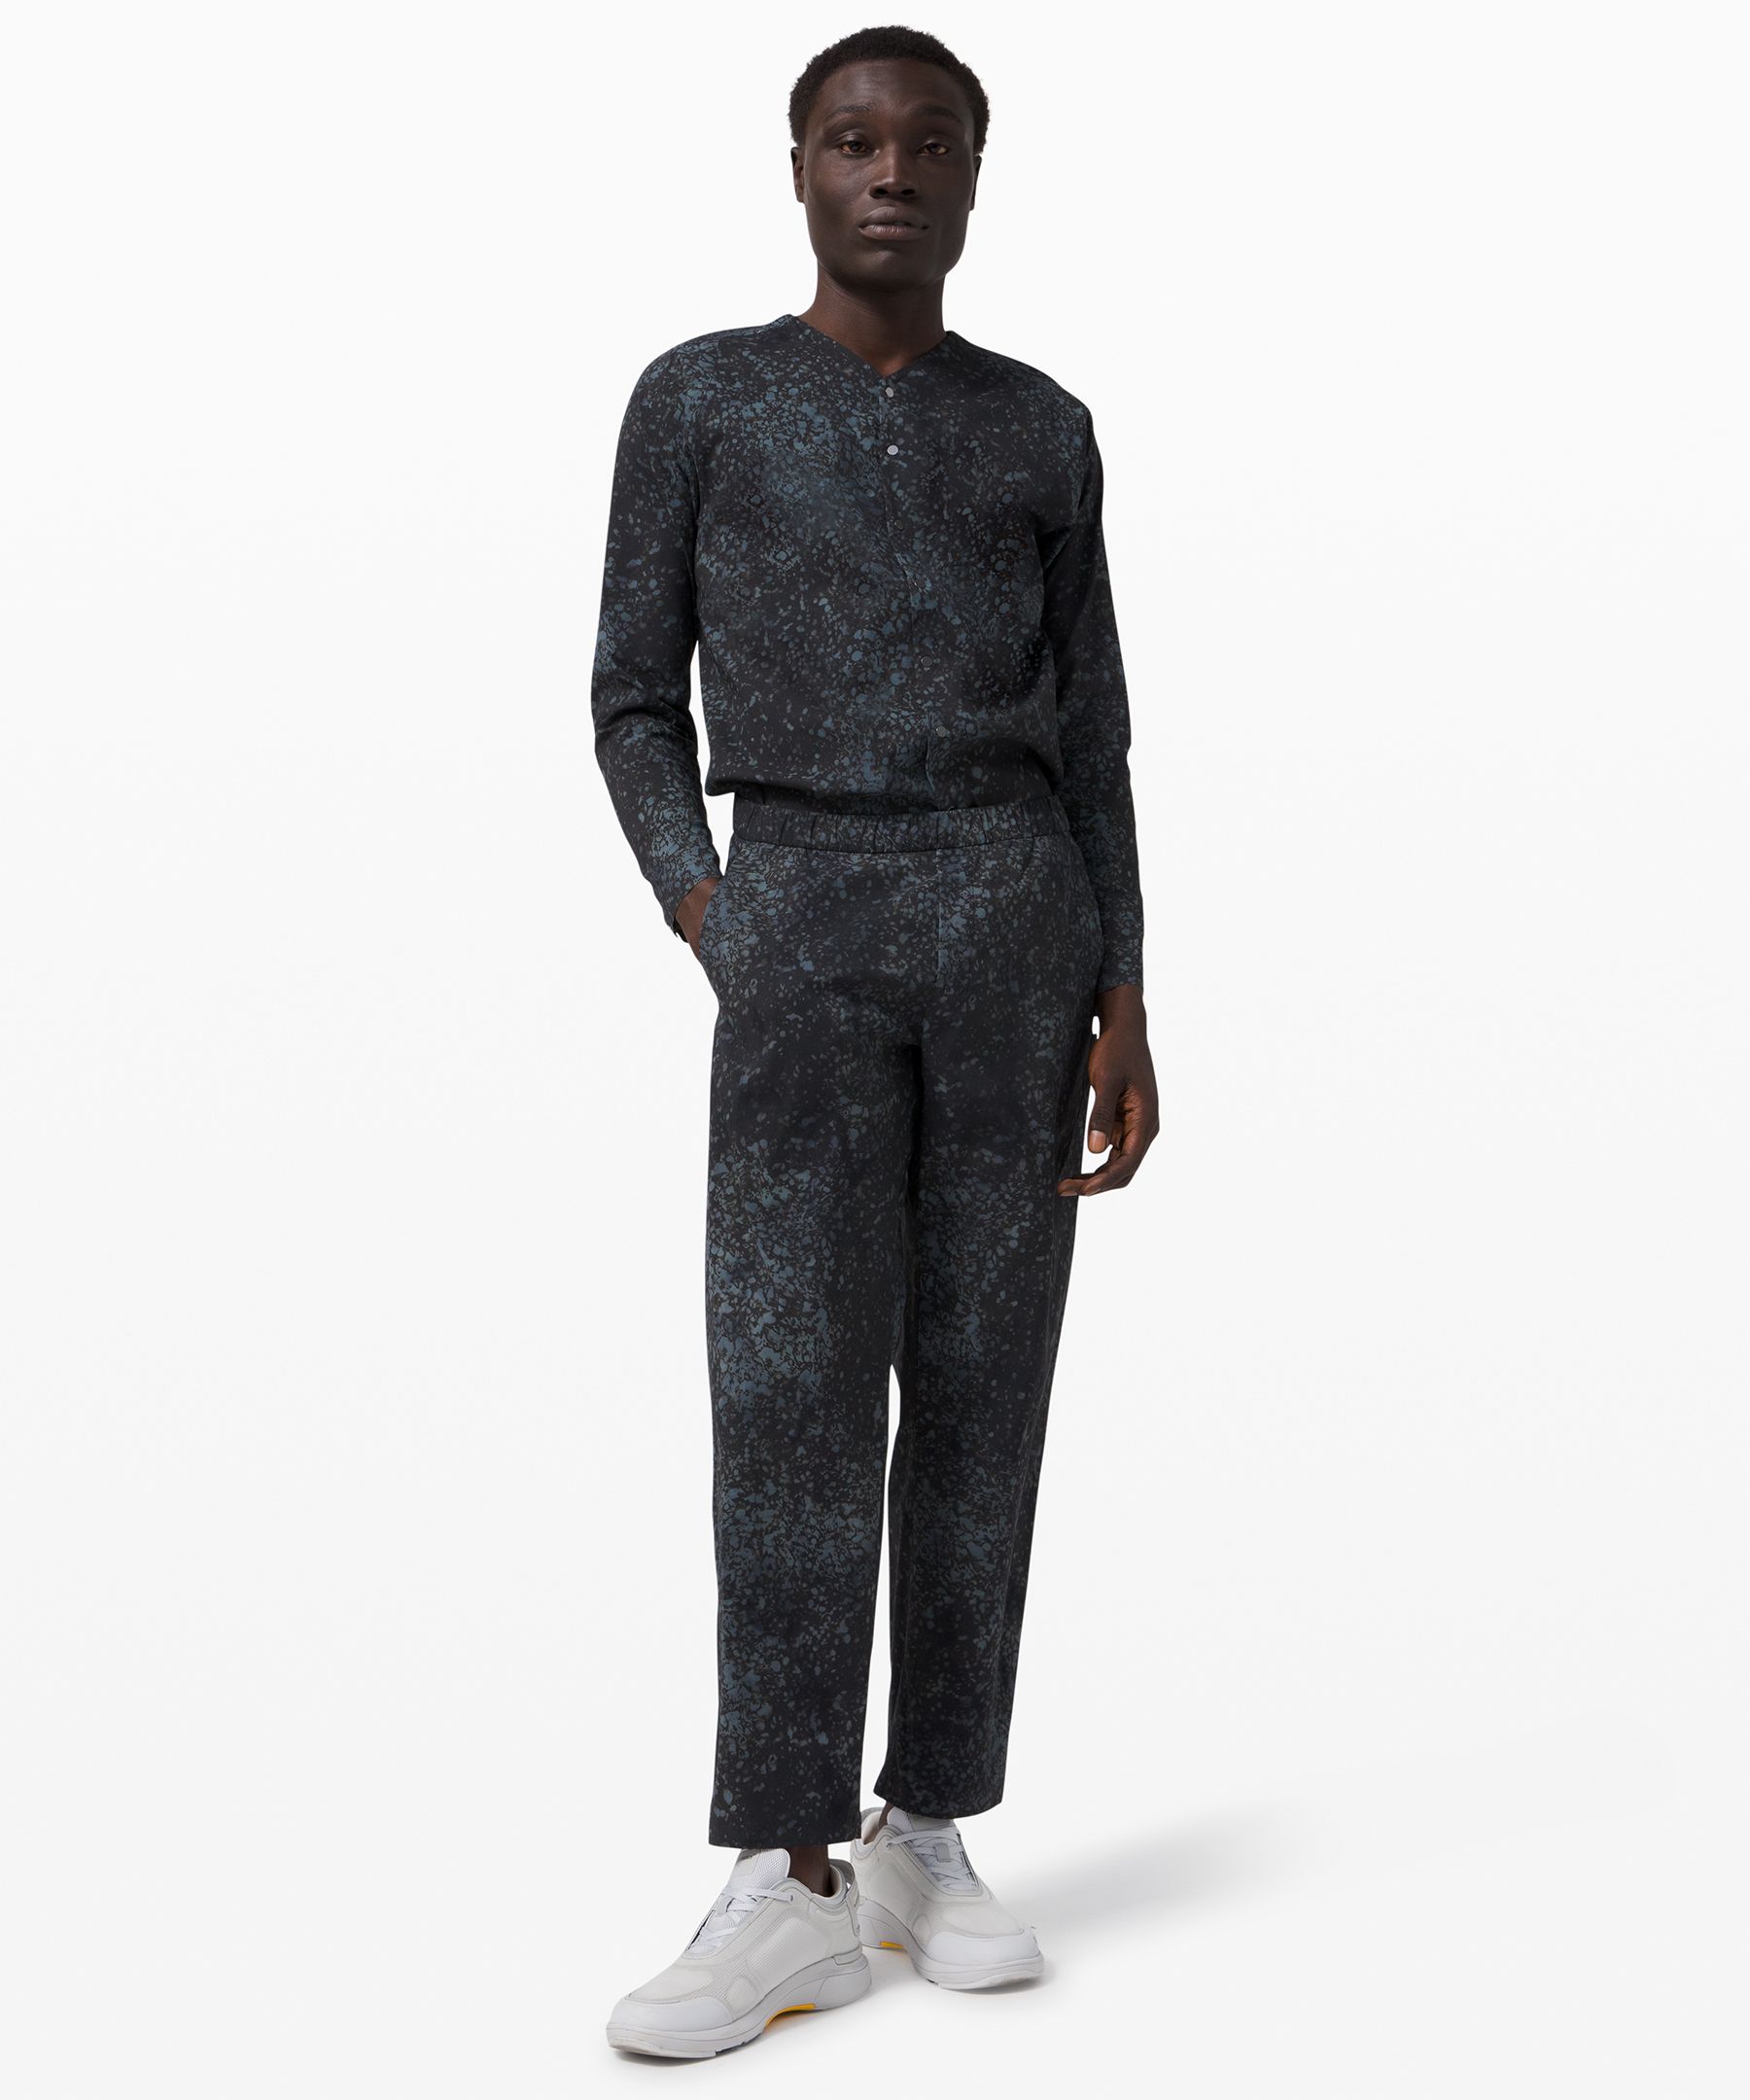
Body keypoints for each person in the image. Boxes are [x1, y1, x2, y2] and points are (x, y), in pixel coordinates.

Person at [590, 25, 1159, 2058]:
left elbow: (1096, 724)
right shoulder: (702, 399)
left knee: (986, 1393)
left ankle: (928, 1823)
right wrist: (709, 907)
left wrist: (1125, 981)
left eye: (930, 144)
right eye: (852, 141)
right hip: (805, 919)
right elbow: (630, 695)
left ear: (977, 178)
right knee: (791, 1394)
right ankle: (788, 1872)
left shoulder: (1043, 427)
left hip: (1017, 920)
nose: (890, 172)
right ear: (799, 171)